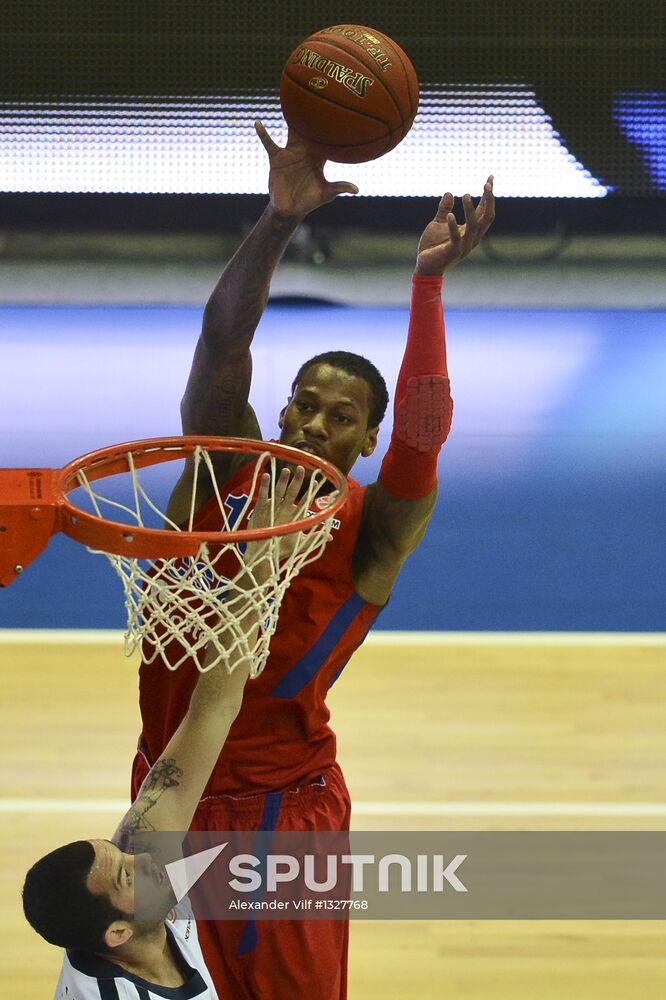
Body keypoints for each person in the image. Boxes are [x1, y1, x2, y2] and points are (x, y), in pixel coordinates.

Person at [132, 121, 495, 999]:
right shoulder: (221, 474)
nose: (309, 425)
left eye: (340, 417)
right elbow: (223, 347)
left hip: (279, 819)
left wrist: (427, 287)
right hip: (163, 786)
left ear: (366, 442)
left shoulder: (373, 534)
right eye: (302, 404)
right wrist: (278, 219)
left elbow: (421, 439)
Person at [22, 469, 306, 999]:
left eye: (121, 854)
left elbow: (213, 708)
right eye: (129, 875)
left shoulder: (139, 907)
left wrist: (261, 562)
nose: (144, 858)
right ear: (119, 934)